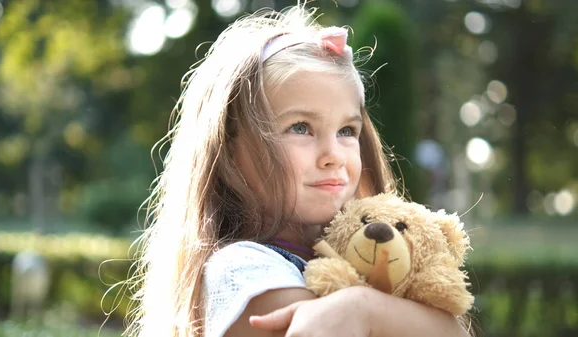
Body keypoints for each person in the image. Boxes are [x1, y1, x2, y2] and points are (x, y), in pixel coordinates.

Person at [124, 4, 473, 337]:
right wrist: (370, 311)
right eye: (301, 128)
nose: (333, 155)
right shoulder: (242, 270)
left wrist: (365, 309)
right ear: (229, 149)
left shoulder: (358, 256)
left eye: (347, 131)